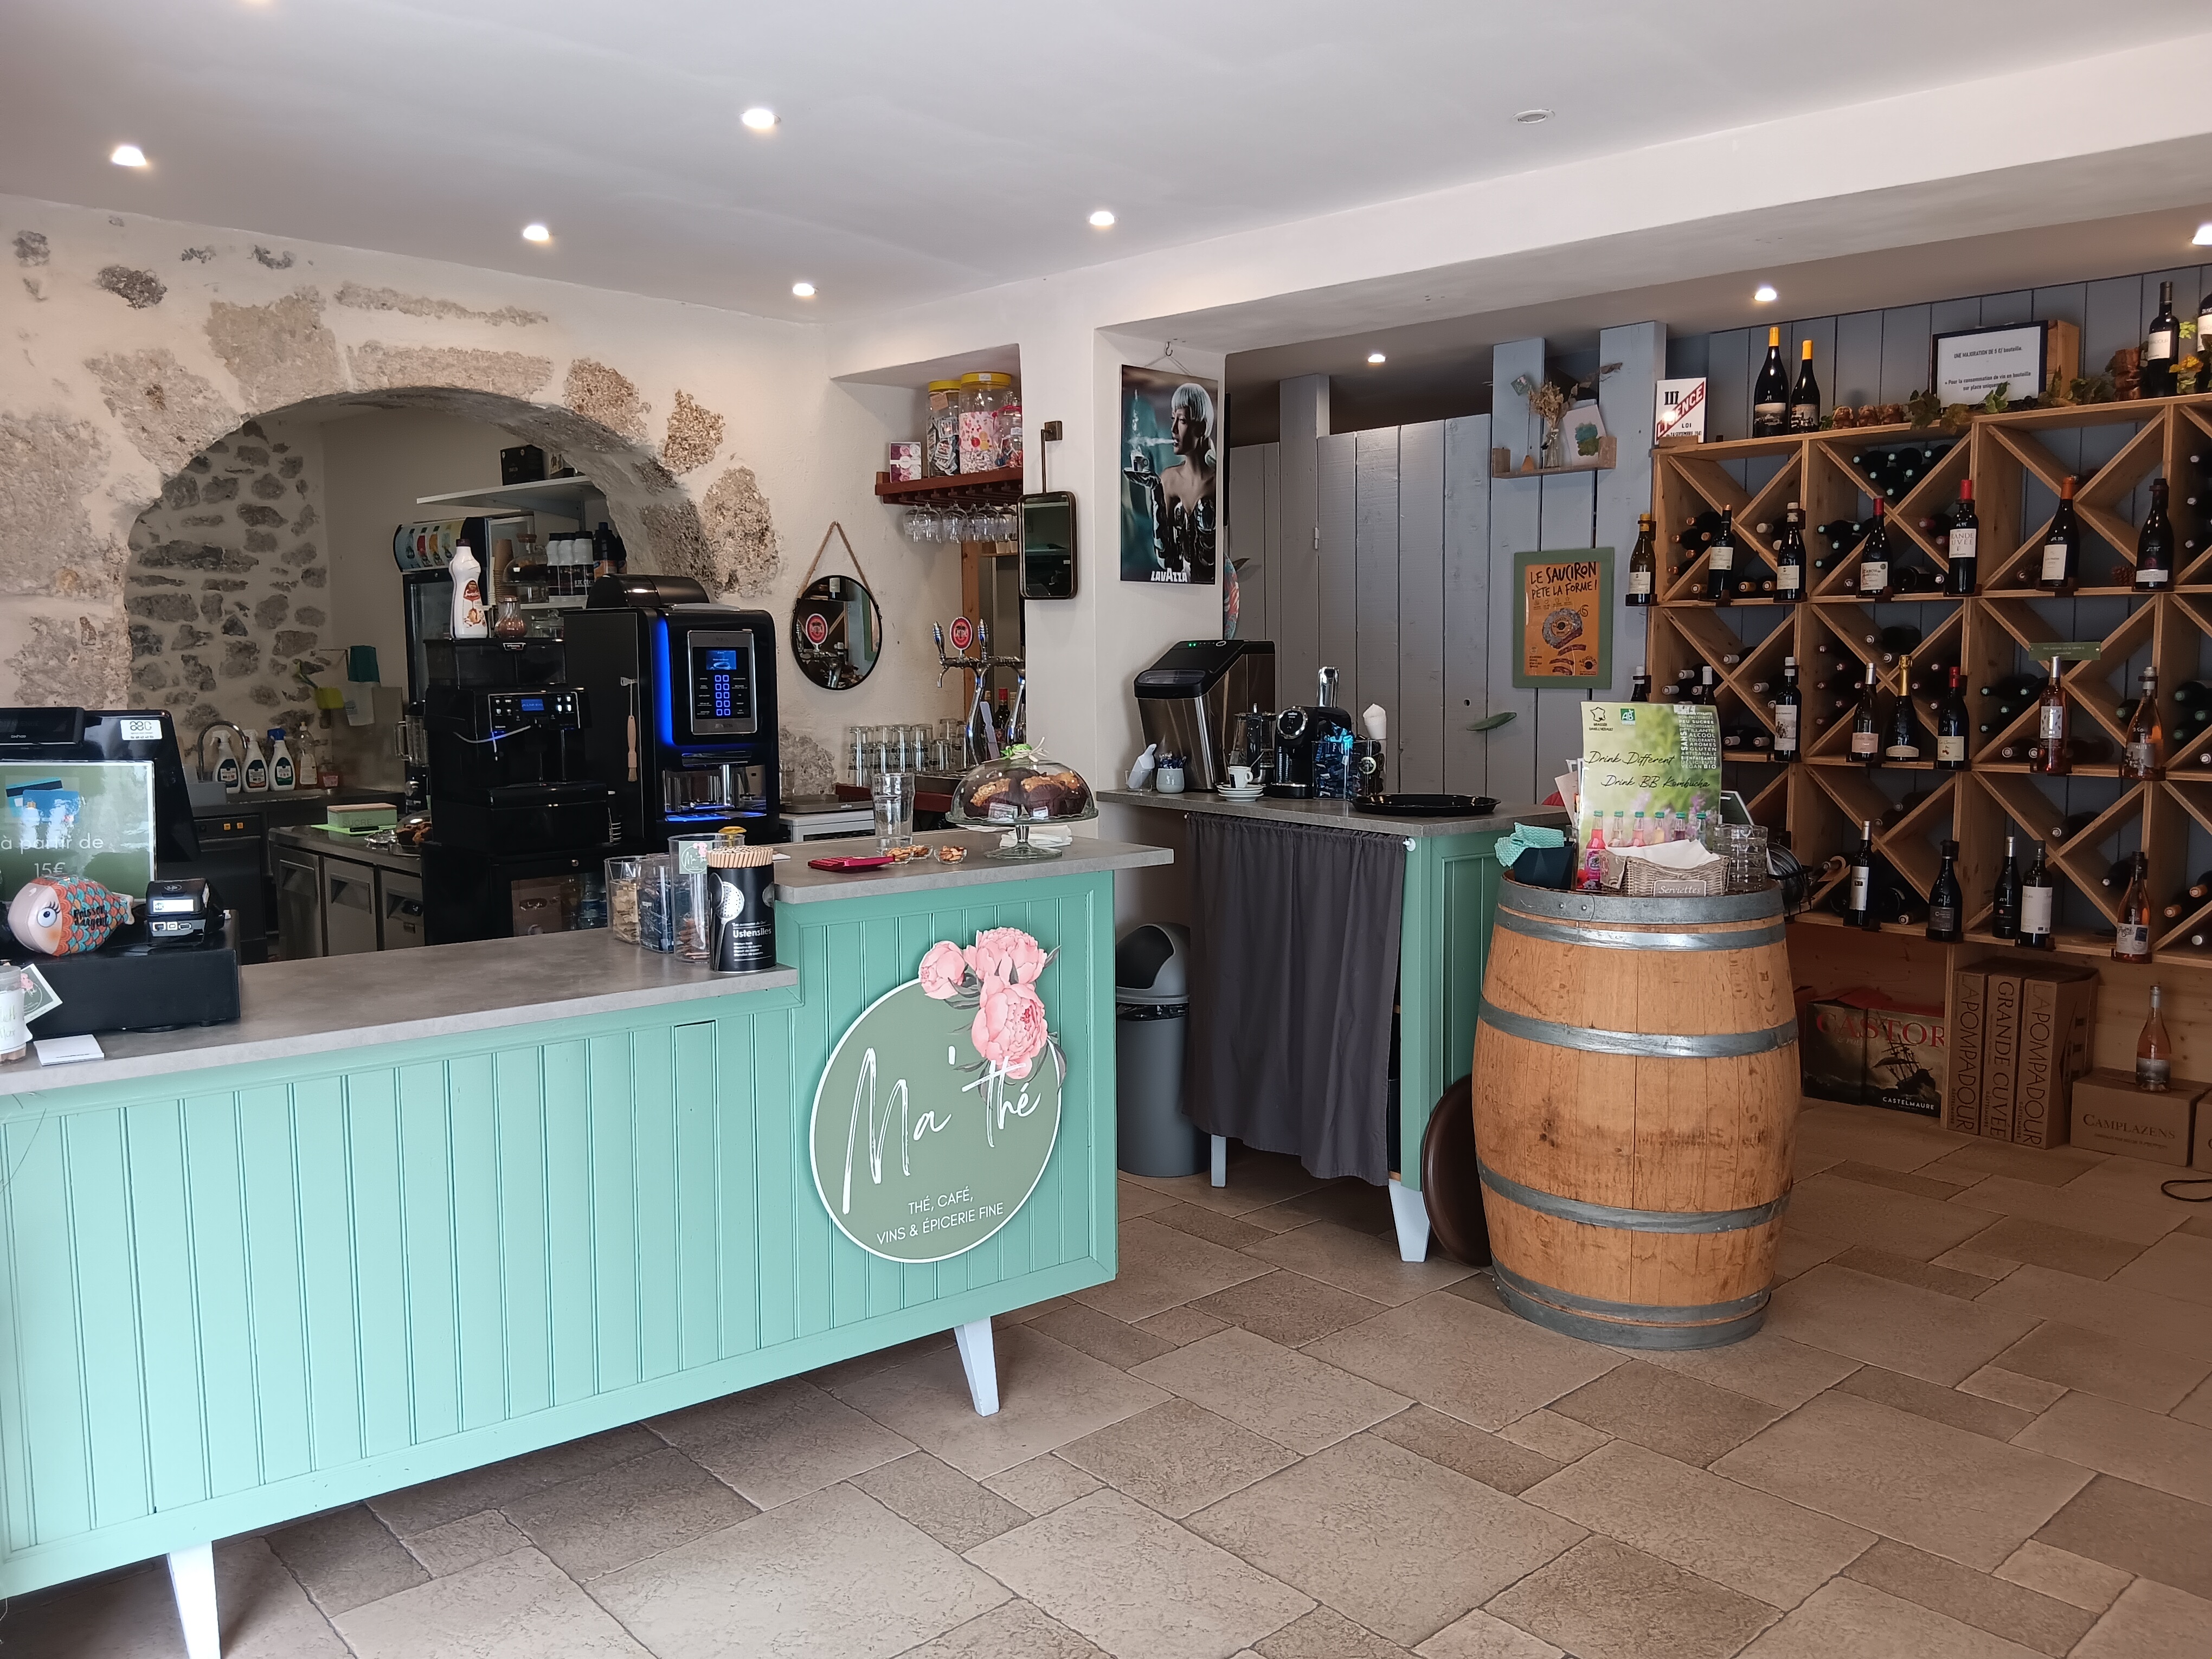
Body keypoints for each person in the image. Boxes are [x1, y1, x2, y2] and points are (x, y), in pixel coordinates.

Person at [1125, 381, 1217, 580]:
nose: (1173, 429)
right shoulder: (1168, 479)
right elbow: (1165, 560)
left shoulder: (1217, 482)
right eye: (1173, 419)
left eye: (1182, 420)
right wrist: (1156, 491)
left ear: (1201, 428)